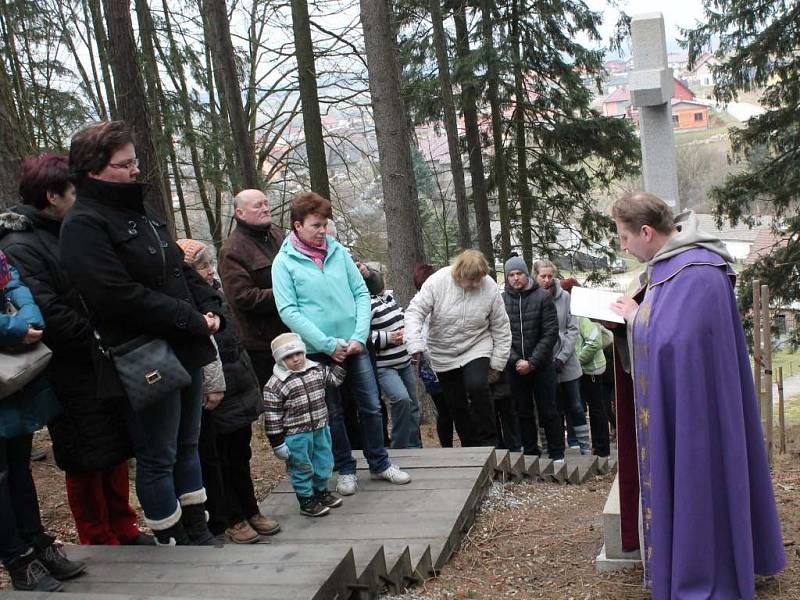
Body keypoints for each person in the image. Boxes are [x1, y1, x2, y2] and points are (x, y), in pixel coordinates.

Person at [609, 191, 785, 598]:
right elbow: (672, 330)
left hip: (701, 411)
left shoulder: (698, 271)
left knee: (703, 481)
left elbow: (678, 341)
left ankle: (709, 573)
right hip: (691, 400)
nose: (623, 245)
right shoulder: (672, 267)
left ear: (647, 232)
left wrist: (635, 319)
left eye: (624, 237)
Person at [60, 121, 223, 546]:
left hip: (183, 346)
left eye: (136, 160)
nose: (135, 170)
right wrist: (187, 318)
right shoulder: (83, 225)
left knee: (188, 444)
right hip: (143, 356)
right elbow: (115, 294)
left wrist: (208, 304)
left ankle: (198, 531)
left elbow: (176, 267)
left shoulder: (139, 210)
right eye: (124, 163)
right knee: (158, 455)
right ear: (94, 170)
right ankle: (172, 541)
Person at [0, 154, 150, 547]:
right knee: (85, 454)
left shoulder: (74, 227)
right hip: (70, 365)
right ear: (51, 196)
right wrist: (96, 338)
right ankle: (98, 537)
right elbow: (48, 308)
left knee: (115, 446)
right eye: (74, 191)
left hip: (103, 356)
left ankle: (124, 525)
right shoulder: (22, 244)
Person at [271, 191, 410, 496]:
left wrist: (358, 337)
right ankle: (345, 468)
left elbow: (361, 294)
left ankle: (380, 462)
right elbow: (288, 311)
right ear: (297, 226)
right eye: (316, 225)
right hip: (318, 351)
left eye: (325, 224)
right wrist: (326, 343)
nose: (323, 231)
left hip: (354, 346)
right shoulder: (284, 263)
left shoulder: (338, 251)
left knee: (371, 406)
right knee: (332, 413)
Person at [177, 238, 280, 543]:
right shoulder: (189, 304)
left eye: (210, 264)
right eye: (202, 266)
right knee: (219, 458)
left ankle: (251, 509)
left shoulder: (216, 297)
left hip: (239, 385)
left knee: (240, 453)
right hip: (215, 393)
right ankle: (231, 517)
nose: (210, 271)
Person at [1, 251, 86, 591]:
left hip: (11, 380)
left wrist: (30, 319)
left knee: (20, 469)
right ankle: (17, 559)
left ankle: (36, 542)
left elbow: (15, 282)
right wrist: (16, 328)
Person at [405, 249, 511, 447]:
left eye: (478, 279)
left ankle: (490, 442)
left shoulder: (489, 287)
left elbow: (501, 326)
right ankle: (470, 444)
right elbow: (414, 312)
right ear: (459, 273)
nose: (475, 284)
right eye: (471, 280)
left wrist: (497, 363)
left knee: (477, 385)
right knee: (456, 403)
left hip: (476, 344)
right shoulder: (438, 282)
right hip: (443, 350)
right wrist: (415, 344)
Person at [263, 333, 346, 516]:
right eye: (288, 357)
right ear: (279, 359)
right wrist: (277, 442)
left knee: (324, 461)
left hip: (320, 427)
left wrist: (341, 362)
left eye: (298, 354)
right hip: (296, 434)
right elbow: (272, 416)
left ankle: (321, 491)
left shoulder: (316, 369)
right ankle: (306, 499)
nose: (295, 359)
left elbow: (334, 380)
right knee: (302, 466)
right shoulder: (275, 384)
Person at [218, 189, 287, 388]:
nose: (266, 209)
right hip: (263, 345)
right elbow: (243, 297)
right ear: (240, 213)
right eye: (258, 205)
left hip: (292, 332)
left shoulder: (277, 235)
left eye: (266, 203)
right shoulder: (232, 250)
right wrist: (288, 294)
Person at [501, 256, 563, 460]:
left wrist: (533, 362)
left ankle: (557, 454)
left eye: (519, 273)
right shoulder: (502, 300)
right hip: (515, 366)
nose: (516, 278)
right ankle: (530, 452)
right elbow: (500, 334)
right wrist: (516, 360)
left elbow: (550, 332)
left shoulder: (542, 297)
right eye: (511, 275)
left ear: (526, 274)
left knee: (549, 410)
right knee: (522, 411)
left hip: (541, 365)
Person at [533, 260, 590, 454]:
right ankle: (551, 446)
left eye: (550, 276)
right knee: (548, 407)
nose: (547, 280)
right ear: (536, 276)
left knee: (575, 405)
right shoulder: (532, 297)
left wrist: (562, 357)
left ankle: (584, 447)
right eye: (543, 276)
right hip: (542, 362)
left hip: (566, 360)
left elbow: (572, 329)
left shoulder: (564, 297)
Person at [367, 270, 422, 449]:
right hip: (385, 366)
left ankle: (415, 447)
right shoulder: (366, 304)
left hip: (404, 361)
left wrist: (410, 343)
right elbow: (364, 336)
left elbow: (405, 321)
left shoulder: (390, 298)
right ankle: (399, 447)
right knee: (401, 399)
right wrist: (389, 338)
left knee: (413, 406)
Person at [560, 278, 610, 458]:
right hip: (584, 370)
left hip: (591, 371)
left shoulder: (581, 316)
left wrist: (578, 361)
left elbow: (594, 340)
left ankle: (602, 449)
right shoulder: (574, 313)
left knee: (597, 409)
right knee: (585, 408)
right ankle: (595, 447)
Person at [412, 263, 452, 447]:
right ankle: (447, 448)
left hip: (450, 359)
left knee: (454, 407)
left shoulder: (445, 299)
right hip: (430, 366)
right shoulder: (417, 305)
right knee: (444, 409)